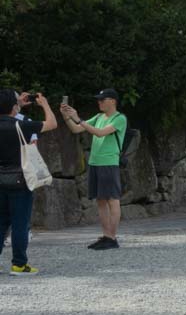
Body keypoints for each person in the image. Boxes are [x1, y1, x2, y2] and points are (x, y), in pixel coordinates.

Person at [59, 89, 128, 250]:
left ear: (113, 101)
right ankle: (106, 236)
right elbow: (76, 129)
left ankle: (112, 237)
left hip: (109, 162)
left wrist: (79, 119)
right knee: (101, 200)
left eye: (103, 100)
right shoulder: (98, 117)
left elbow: (100, 133)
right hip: (95, 162)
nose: (99, 102)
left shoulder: (120, 119)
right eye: (99, 100)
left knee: (112, 199)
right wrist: (66, 116)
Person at [2, 89, 57, 274]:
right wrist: (44, 104)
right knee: (20, 223)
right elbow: (52, 123)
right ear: (13, 107)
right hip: (20, 180)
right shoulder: (21, 125)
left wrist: (16, 104)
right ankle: (19, 264)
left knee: (0, 222)